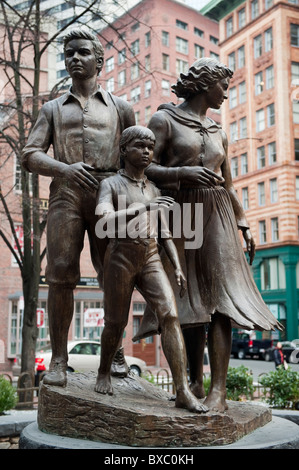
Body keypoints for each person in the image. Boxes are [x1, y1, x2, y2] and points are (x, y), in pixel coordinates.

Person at [133, 58, 283, 412]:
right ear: (205, 84)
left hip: (218, 215)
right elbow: (144, 167)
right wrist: (183, 172)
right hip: (181, 211)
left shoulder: (218, 131)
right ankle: (194, 381)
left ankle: (219, 390)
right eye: (223, 87)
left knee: (220, 300)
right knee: (188, 300)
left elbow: (228, 183)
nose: (226, 95)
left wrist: (243, 222)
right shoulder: (164, 119)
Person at [21, 29, 135, 387]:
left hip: (111, 194)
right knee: (60, 273)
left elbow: (135, 155)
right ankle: (58, 359)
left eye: (82, 52)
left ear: (99, 61)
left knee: (115, 274)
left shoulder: (121, 107)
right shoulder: (52, 109)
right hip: (66, 193)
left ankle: (115, 352)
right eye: (69, 53)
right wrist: (63, 168)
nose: (74, 58)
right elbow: (30, 154)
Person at [94, 125, 208, 413]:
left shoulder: (154, 189)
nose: (147, 152)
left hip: (151, 256)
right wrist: (145, 208)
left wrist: (178, 267)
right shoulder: (111, 184)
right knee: (115, 323)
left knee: (170, 315)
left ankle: (182, 389)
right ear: (123, 151)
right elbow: (103, 217)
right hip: (120, 255)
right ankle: (103, 371)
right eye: (139, 146)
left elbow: (164, 231)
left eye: (150, 147)